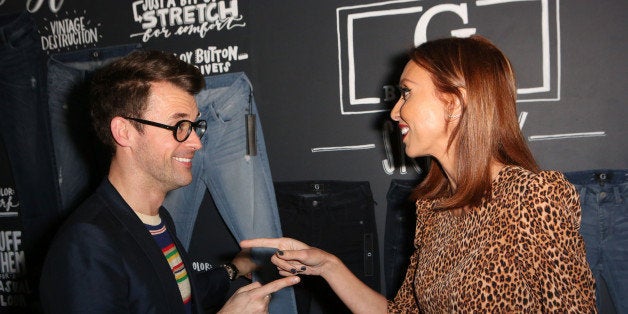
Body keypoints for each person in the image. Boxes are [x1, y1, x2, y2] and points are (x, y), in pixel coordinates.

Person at [241, 35, 596, 313]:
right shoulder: (433, 207)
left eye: (406, 93)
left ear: (453, 102)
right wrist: (329, 266)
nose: (395, 112)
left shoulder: (531, 195)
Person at [39, 50, 299, 314]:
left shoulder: (158, 220)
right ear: (124, 131)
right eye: (179, 126)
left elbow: (168, 294)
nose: (196, 142)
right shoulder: (87, 243)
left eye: (195, 126)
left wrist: (235, 269)